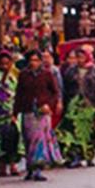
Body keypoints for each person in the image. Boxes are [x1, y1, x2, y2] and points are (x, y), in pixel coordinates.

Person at [58, 47, 95, 167]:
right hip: (73, 104)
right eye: (77, 57)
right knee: (73, 130)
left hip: (89, 104)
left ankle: (88, 156)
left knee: (88, 131)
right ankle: (75, 156)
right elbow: (64, 88)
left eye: (81, 57)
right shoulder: (70, 71)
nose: (79, 60)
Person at [15, 49, 62, 181]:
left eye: (36, 60)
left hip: (42, 112)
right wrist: (15, 112)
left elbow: (55, 92)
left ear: (40, 61)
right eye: (31, 60)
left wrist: (49, 104)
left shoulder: (47, 74)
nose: (33, 63)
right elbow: (19, 94)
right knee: (29, 140)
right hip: (28, 110)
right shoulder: (23, 75)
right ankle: (30, 167)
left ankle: (38, 168)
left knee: (39, 140)